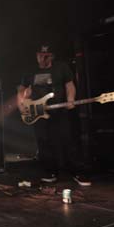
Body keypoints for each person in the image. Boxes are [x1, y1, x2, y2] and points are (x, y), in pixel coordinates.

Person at [17, 45, 91, 186]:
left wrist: (70, 99)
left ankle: (77, 172)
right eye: (40, 55)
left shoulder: (61, 67)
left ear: (52, 56)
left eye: (46, 55)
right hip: (38, 112)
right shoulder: (30, 71)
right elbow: (21, 89)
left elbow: (69, 85)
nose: (42, 58)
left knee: (68, 140)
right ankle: (50, 172)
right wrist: (22, 105)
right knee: (44, 143)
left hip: (59, 111)